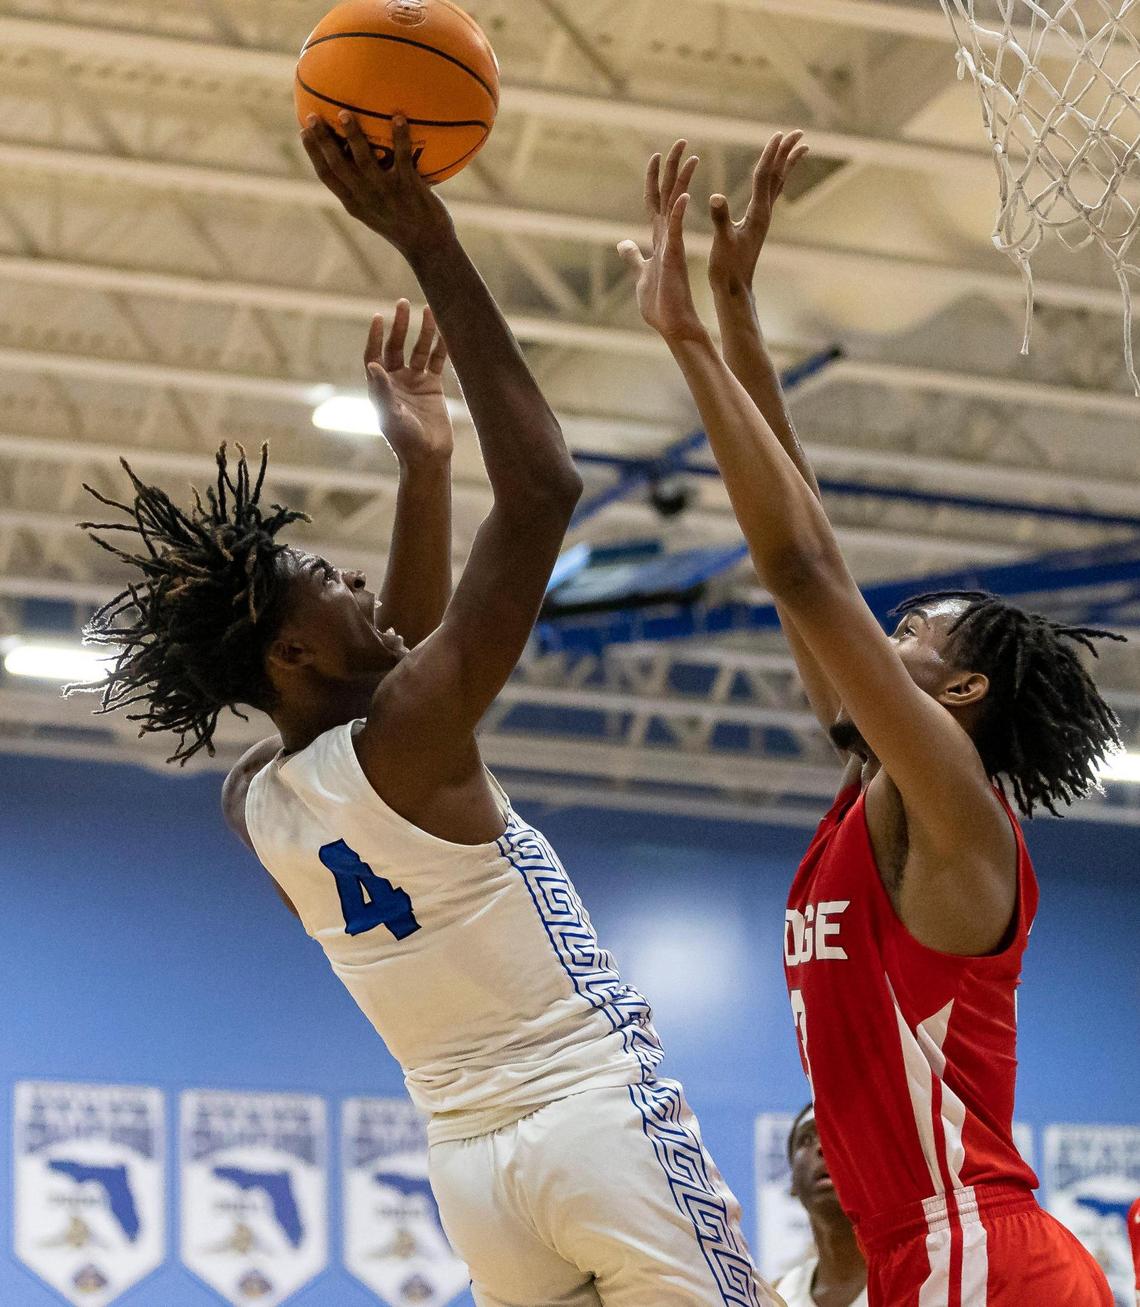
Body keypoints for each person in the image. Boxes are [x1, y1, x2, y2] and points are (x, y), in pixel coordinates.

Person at [72, 112, 778, 1307]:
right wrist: (430, 239)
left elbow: (383, 681)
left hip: (473, 1176)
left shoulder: (258, 800)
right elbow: (547, 486)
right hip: (590, 1119)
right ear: (292, 647)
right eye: (327, 583)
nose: (353, 583)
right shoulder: (404, 733)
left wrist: (424, 468)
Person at [621, 137, 1119, 1306]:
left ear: (960, 695)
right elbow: (809, 556)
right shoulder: (876, 791)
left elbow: (803, 574)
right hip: (924, 1258)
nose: (877, 644)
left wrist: (688, 345)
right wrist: (742, 319)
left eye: (911, 636)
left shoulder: (952, 805)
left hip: (980, 1253)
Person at [775, 1106, 867, 1307]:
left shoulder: (922, 1282)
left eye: (838, 1133)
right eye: (806, 1139)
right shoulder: (773, 1296)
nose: (822, 1146)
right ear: (792, 1183)